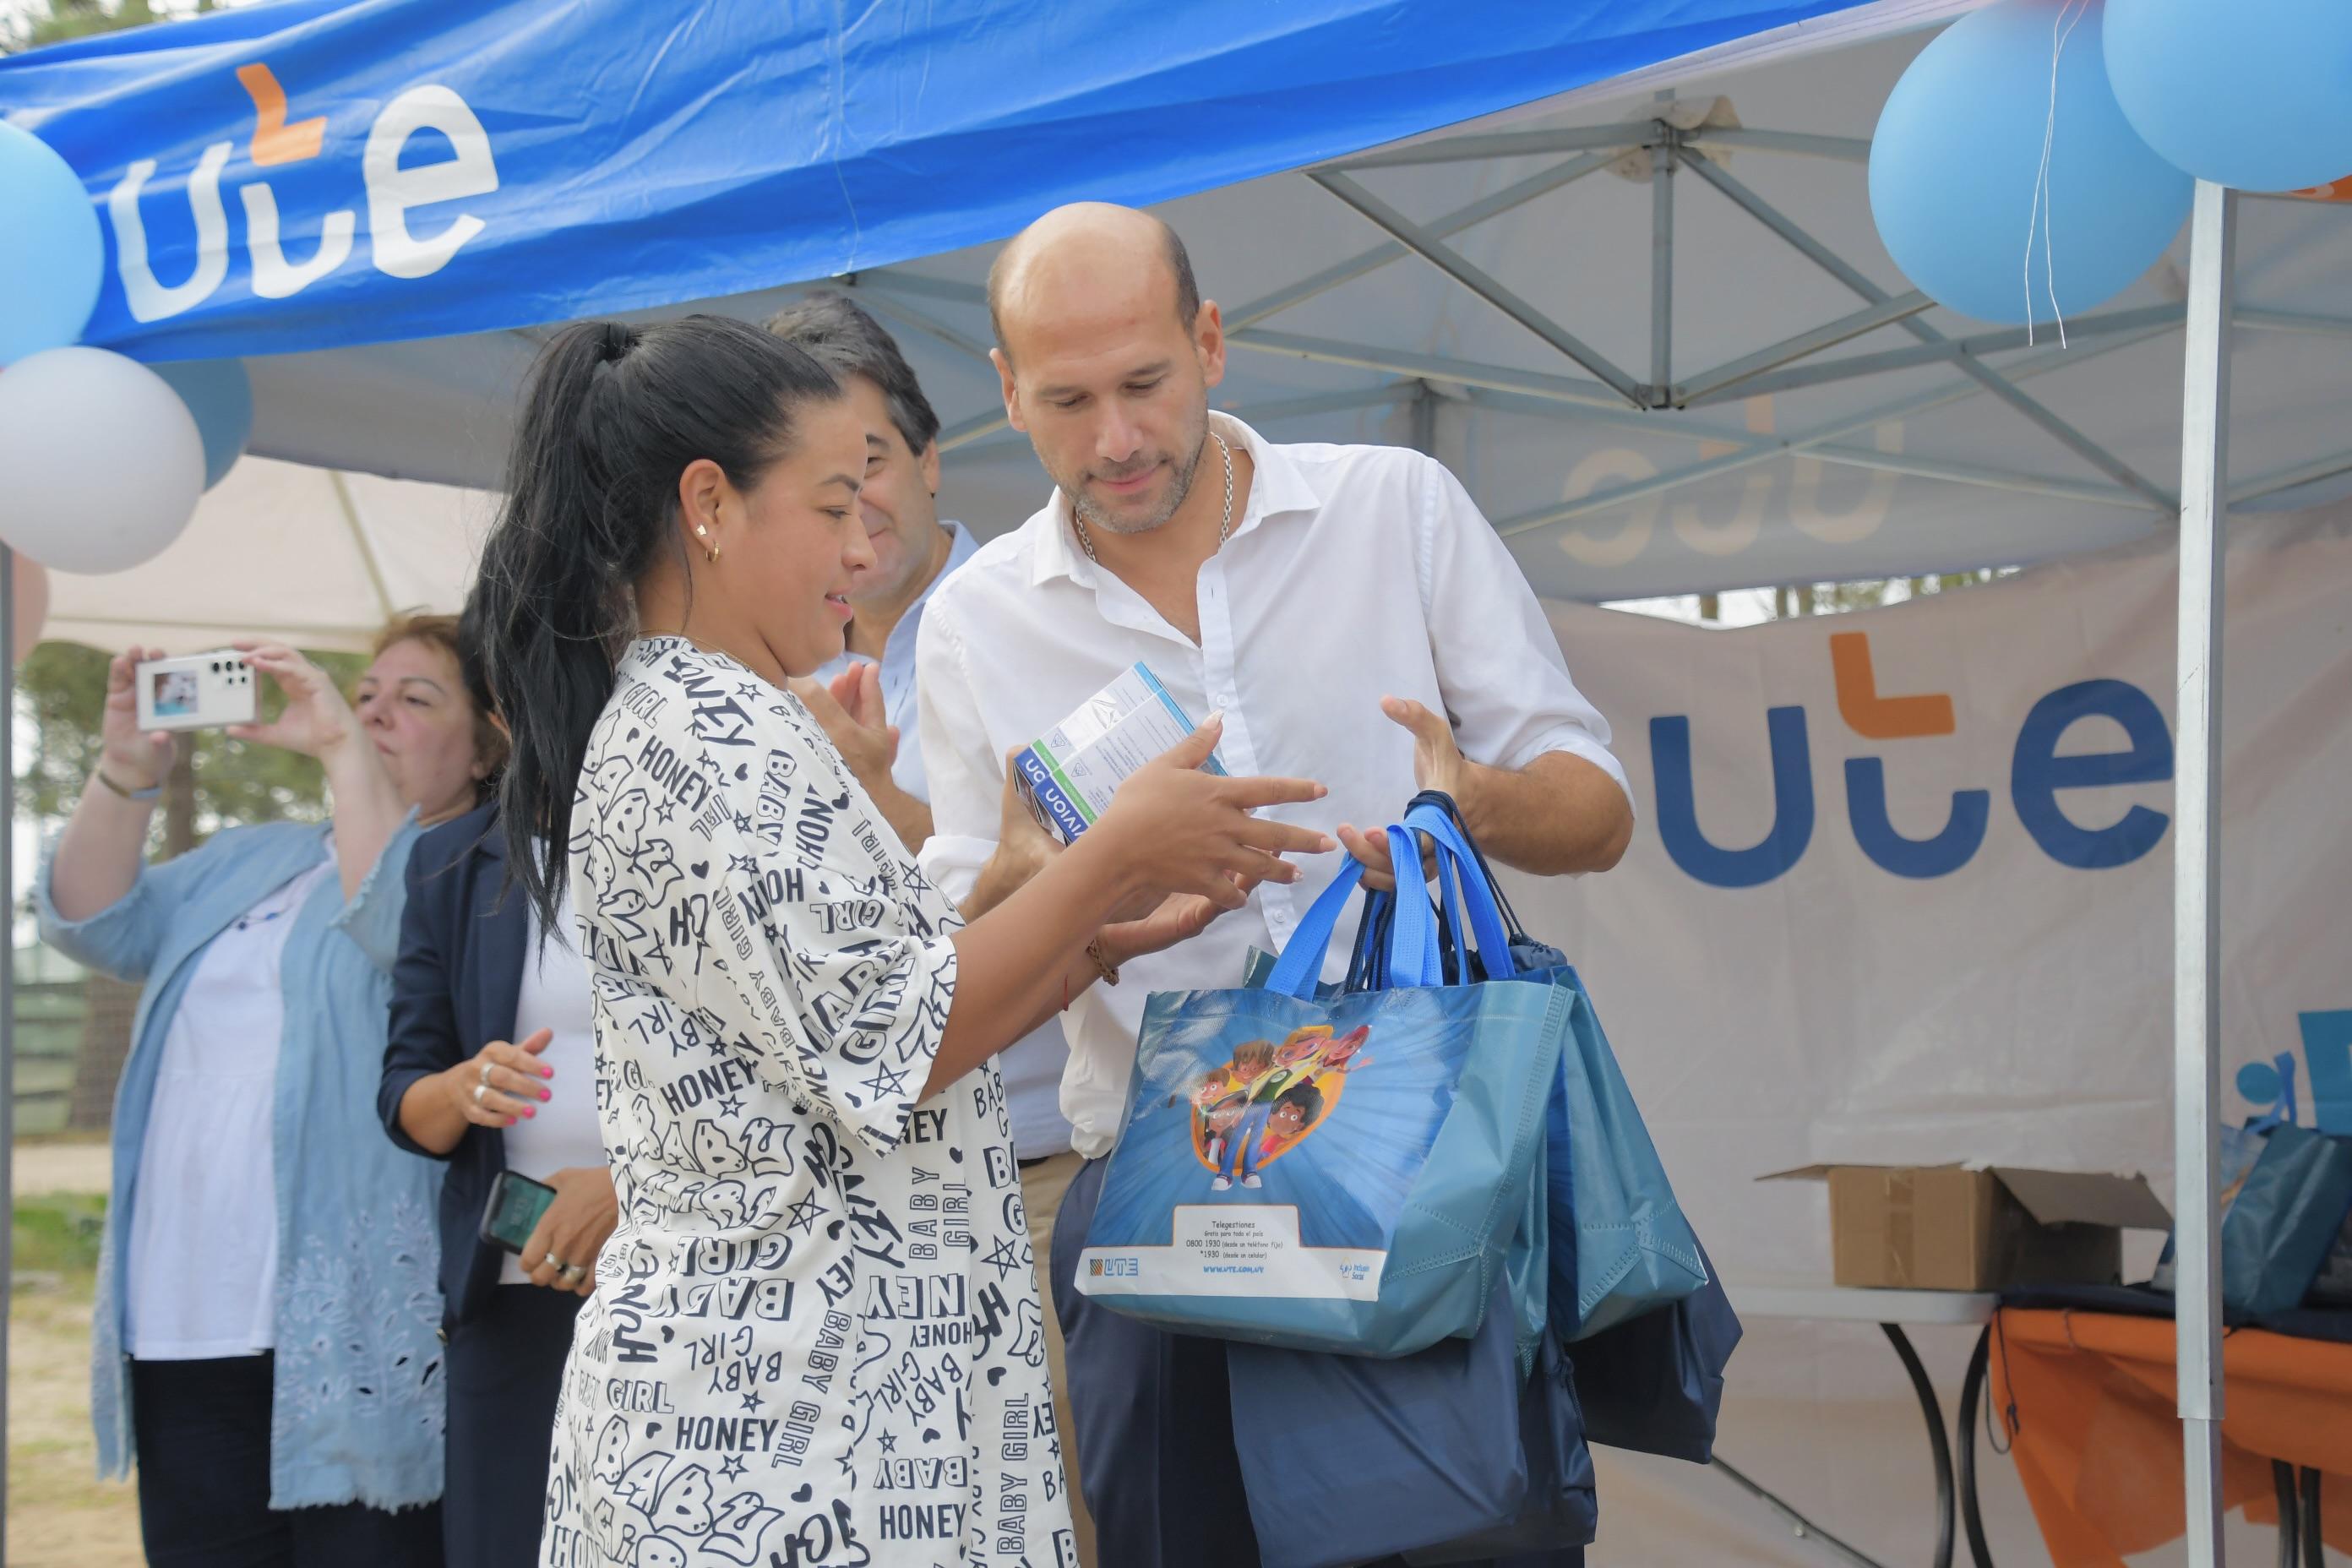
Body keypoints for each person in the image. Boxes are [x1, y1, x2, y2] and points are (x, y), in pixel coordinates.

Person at [467, 313, 1333, 1568]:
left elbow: (866, 1011)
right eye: (832, 508)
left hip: (818, 1422)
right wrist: (1111, 858)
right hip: (783, 1446)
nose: (869, 548)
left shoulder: (720, 717)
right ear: (708, 504)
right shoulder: (713, 733)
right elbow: (899, 1041)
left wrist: (1077, 920)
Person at [912, 202, 1637, 1568]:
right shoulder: (973, 619)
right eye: (1066, 402)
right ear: (1005, 393)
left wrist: (1463, 799)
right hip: (1149, 1197)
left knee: (1474, 1543)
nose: (1115, 440)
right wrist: (1040, 880)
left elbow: (1593, 811)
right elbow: (948, 983)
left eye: (1143, 384)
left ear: (1209, 343)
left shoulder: (1391, 510)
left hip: (1420, 1182)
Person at [38, 614, 504, 1568]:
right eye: (364, 693)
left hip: (354, 1334)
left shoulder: (479, 869)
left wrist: (339, 742)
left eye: (414, 699)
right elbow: (92, 922)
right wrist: (125, 768)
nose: (375, 712)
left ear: (488, 742)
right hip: (182, 1309)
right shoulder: (255, 857)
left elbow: (391, 924)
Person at [762, 289, 1099, 1563]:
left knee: (1062, 1521)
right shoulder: (768, 659)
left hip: (1035, 1166)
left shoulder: (1042, 609)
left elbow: (1076, 881)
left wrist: (870, 796)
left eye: (873, 466)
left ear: (932, 456)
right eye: (813, 482)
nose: (855, 509)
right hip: (846, 1200)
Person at [378, 596, 616, 1568]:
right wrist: (465, 1087)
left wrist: (628, 1193)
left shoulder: (696, 840)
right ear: (501, 710)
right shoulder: (449, 861)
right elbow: (405, 1096)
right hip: (510, 1292)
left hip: (669, 1283)